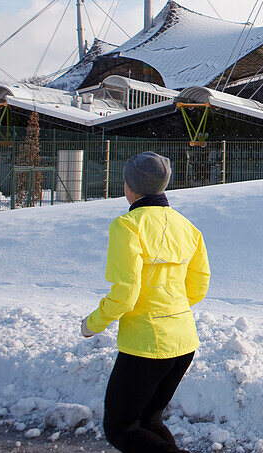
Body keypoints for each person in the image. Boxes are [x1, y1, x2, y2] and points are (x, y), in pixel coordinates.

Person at [82, 151, 210, 453]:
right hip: (183, 342)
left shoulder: (127, 225)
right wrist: (169, 309)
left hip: (145, 346)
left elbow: (125, 292)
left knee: (120, 428)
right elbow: (199, 286)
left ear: (130, 186)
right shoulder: (187, 227)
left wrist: (92, 324)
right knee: (149, 422)